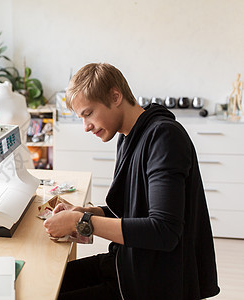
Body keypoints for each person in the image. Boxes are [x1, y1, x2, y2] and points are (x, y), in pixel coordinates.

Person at [43, 63, 220, 299]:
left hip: (152, 282)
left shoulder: (164, 138)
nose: (86, 127)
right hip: (127, 264)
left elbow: (164, 231)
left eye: (88, 114)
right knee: (46, 283)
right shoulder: (128, 137)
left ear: (115, 96)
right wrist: (88, 211)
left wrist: (82, 221)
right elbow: (135, 210)